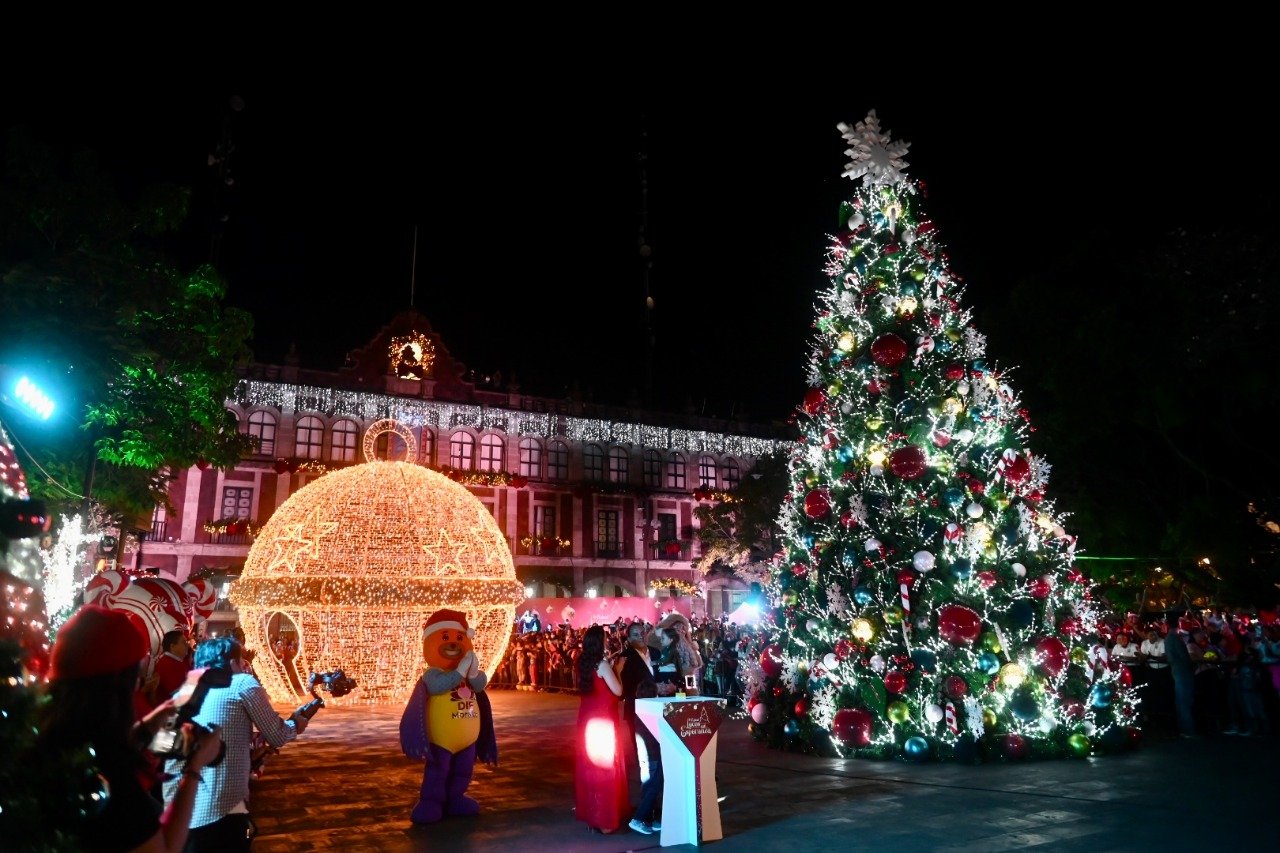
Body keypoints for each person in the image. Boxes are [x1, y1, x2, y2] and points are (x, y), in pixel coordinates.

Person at [36, 604, 223, 852]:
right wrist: (194, 770)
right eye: (138, 670)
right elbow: (164, 848)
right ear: (118, 685)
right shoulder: (108, 784)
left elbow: (104, 747)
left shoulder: (45, 734)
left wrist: (152, 721)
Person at [161, 636, 309, 851]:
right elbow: (277, 735)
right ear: (232, 663)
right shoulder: (241, 682)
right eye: (241, 661)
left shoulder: (183, 692)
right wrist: (295, 724)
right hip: (220, 810)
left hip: (177, 813)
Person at [574, 625, 629, 834]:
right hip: (603, 719)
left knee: (590, 767)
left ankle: (593, 814)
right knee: (605, 767)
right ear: (600, 642)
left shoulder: (582, 663)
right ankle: (605, 818)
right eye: (605, 638)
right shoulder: (603, 665)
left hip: (587, 719)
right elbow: (618, 690)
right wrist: (618, 671)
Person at [615, 621, 663, 836]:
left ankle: (653, 813)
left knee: (660, 761)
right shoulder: (625, 657)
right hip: (639, 713)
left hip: (661, 709)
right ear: (628, 637)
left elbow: (666, 673)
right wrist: (649, 688)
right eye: (635, 633)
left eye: (642, 632)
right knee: (648, 764)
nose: (640, 636)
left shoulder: (655, 652)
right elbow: (624, 687)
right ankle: (644, 814)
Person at [1164, 612, 1197, 738]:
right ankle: (1188, 729)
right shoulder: (1174, 638)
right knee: (1184, 699)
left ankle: (1184, 728)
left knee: (1182, 699)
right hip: (1182, 670)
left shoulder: (1170, 638)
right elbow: (1181, 656)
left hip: (1177, 670)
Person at [151, 629, 192, 706]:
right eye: (184, 643)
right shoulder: (166, 664)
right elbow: (178, 694)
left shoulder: (180, 661)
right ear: (172, 646)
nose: (187, 645)